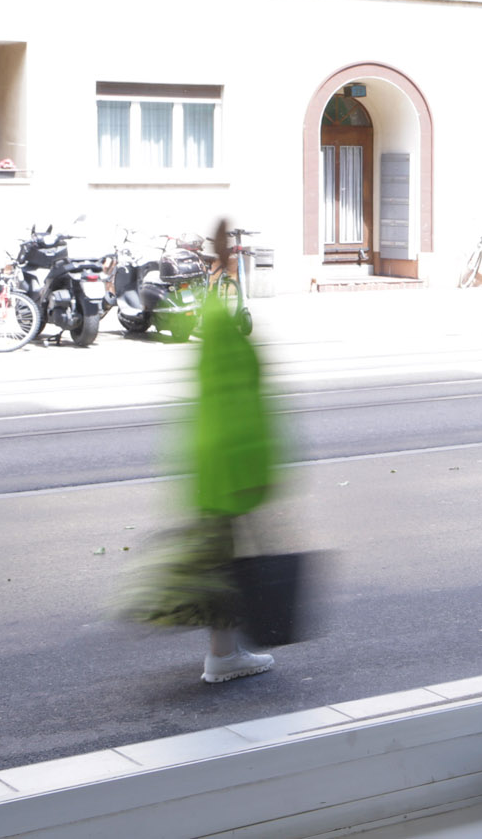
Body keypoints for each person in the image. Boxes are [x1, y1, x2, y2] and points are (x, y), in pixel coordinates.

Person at [120, 217, 279, 682]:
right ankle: (223, 656)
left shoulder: (212, 341)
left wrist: (222, 262)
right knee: (221, 564)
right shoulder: (225, 339)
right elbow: (246, 411)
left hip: (211, 467)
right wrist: (223, 263)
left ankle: (224, 651)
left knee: (216, 560)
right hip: (230, 468)